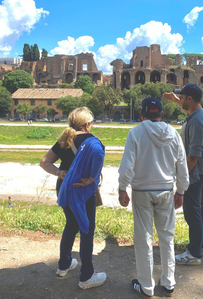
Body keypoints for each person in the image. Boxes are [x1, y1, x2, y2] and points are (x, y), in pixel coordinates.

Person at [118, 98, 189, 298]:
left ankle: (146, 285)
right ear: (162, 115)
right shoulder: (173, 134)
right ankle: (168, 282)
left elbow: (127, 167)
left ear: (142, 115)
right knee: (167, 237)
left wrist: (122, 188)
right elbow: (182, 167)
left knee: (144, 239)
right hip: (166, 190)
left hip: (141, 190)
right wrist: (181, 191)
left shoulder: (136, 133)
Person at [40, 107, 107, 289]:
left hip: (64, 188)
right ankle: (86, 275)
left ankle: (64, 265)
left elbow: (44, 162)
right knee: (87, 229)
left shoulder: (64, 140)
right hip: (82, 190)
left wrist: (60, 172)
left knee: (71, 224)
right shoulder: (92, 140)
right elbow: (98, 158)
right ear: (87, 124)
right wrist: (92, 179)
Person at [163, 83, 203, 266]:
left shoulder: (197, 122)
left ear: (190, 99)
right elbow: (188, 111)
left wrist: (182, 179)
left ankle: (194, 254)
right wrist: (176, 101)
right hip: (202, 172)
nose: (181, 100)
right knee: (201, 208)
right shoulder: (201, 114)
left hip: (196, 173)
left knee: (192, 213)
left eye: (183, 97)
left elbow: (194, 155)